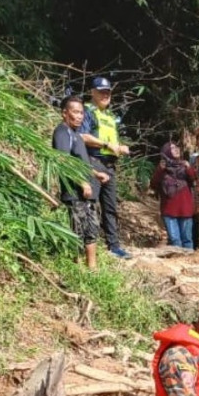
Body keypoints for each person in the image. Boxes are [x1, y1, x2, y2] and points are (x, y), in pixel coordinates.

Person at [52, 95, 110, 269]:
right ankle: (77, 270)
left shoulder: (76, 134)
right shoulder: (62, 132)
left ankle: (92, 269)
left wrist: (95, 174)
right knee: (77, 232)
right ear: (64, 113)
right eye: (75, 112)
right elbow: (63, 161)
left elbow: (79, 162)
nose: (79, 116)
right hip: (75, 193)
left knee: (91, 230)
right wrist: (82, 182)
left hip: (86, 193)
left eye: (81, 112)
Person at [80, 75, 132, 260]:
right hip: (94, 162)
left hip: (110, 165)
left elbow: (112, 142)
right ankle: (87, 244)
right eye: (101, 92)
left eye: (108, 92)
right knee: (90, 204)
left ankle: (114, 246)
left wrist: (120, 147)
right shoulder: (87, 111)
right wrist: (105, 145)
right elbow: (83, 136)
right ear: (92, 92)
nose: (105, 95)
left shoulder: (109, 116)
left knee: (110, 207)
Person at [149, 141, 196, 251]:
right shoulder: (162, 169)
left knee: (187, 240)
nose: (176, 149)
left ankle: (189, 264)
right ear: (166, 152)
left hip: (185, 210)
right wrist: (160, 170)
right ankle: (178, 265)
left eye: (177, 147)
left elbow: (194, 179)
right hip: (169, 211)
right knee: (175, 241)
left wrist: (188, 168)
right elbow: (153, 184)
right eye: (172, 148)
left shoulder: (184, 166)